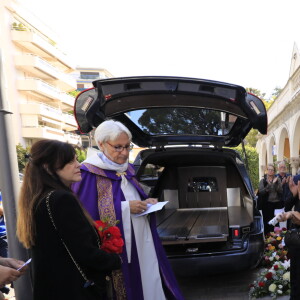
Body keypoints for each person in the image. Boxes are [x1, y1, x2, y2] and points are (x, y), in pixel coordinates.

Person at [72, 120, 184, 300]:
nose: (124, 153)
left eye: (127, 147)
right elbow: (85, 215)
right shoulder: (88, 173)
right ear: (101, 144)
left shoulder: (127, 169)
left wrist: (146, 202)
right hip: (121, 247)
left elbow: (131, 197)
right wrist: (124, 208)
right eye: (117, 147)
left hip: (142, 240)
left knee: (149, 280)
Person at [16, 139, 121, 300]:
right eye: (70, 161)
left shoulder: (38, 198)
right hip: (74, 290)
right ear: (48, 167)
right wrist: (115, 260)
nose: (78, 164)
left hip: (53, 289)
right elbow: (85, 252)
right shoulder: (61, 199)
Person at [276, 175, 300, 299]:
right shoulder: (296, 195)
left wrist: (292, 214)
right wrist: (293, 193)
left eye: (295, 184)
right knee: (295, 273)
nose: (294, 185)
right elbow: (286, 205)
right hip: (296, 242)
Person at [258, 163, 283, 234]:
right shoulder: (262, 181)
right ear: (267, 171)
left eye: (272, 170)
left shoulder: (278, 180)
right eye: (269, 169)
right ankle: (267, 238)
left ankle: (277, 239)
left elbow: (280, 191)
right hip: (266, 204)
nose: (271, 171)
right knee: (267, 222)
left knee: (276, 222)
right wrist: (270, 185)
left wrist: (275, 184)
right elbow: (261, 192)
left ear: (274, 171)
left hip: (277, 204)